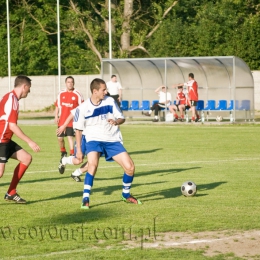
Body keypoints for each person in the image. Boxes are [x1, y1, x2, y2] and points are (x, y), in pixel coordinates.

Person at [73, 78, 142, 209]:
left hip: (112, 139)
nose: (106, 91)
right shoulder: (83, 108)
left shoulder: (110, 101)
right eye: (103, 89)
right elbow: (78, 130)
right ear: (95, 91)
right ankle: (85, 198)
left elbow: (121, 117)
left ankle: (126, 195)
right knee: (92, 165)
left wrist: (117, 122)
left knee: (130, 167)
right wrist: (79, 151)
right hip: (93, 139)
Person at [0, 75, 41, 204]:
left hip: (6, 139)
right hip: (1, 140)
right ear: (24, 86)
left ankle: (11, 192)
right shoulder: (12, 99)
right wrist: (30, 141)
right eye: (29, 87)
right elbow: (12, 126)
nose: (29, 90)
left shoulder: (11, 98)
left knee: (26, 158)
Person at [55, 76, 84, 174]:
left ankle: (72, 154)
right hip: (62, 120)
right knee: (60, 138)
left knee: (70, 137)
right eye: (68, 82)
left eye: (71, 82)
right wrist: (56, 116)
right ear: (65, 83)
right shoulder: (61, 93)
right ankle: (63, 152)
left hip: (72, 121)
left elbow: (82, 107)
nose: (70, 84)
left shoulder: (77, 94)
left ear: (74, 83)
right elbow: (57, 106)